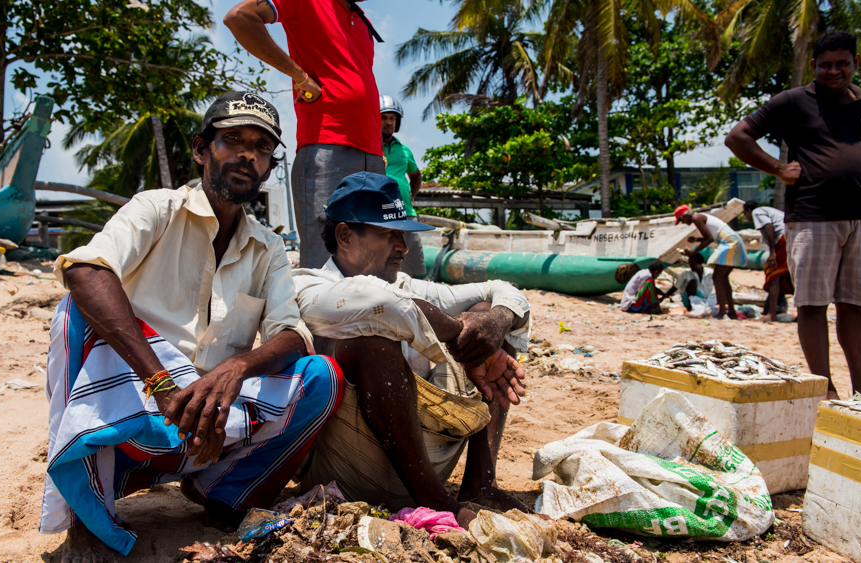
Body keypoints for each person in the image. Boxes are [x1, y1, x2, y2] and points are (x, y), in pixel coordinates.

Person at [38, 92, 344, 560]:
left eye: (261, 148)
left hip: (213, 429)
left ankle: (224, 495)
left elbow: (291, 332)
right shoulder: (157, 209)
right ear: (202, 150)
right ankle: (88, 518)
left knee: (321, 376)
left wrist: (237, 367)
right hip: (138, 415)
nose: (247, 154)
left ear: (267, 168)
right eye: (233, 140)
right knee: (75, 310)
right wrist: (161, 382)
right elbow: (85, 269)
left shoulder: (268, 247)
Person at [291, 172, 532, 527]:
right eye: (391, 235)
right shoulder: (307, 285)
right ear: (345, 235)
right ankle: (436, 500)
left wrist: (494, 323)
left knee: (487, 320)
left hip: (421, 460)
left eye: (403, 236)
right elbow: (376, 303)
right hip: (341, 473)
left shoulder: (403, 283)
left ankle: (480, 482)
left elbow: (505, 290)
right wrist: (454, 330)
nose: (403, 247)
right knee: (370, 341)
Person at [724, 31, 861, 398]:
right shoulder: (793, 101)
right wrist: (778, 168)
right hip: (813, 216)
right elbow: (738, 137)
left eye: (842, 63)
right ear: (813, 65)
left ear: (855, 63)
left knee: (854, 307)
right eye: (825, 64)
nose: (834, 71)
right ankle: (825, 390)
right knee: (812, 306)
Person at [225, 0, 385, 269]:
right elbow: (239, 18)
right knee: (326, 263)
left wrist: (378, 150)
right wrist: (298, 75)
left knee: (374, 261)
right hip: (327, 146)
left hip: (372, 153)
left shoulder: (361, 18)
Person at [675, 205, 748, 320]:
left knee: (717, 277)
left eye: (681, 220)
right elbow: (711, 237)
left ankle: (722, 312)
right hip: (734, 240)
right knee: (723, 278)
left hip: (729, 242)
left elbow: (709, 239)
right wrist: (696, 240)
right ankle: (731, 312)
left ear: (684, 216)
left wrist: (694, 252)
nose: (682, 223)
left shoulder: (696, 218)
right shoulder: (700, 217)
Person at [381, 95, 425, 277]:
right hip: (382, 213)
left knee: (412, 262)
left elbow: (416, 175)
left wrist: (412, 195)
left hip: (407, 213)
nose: (388, 122)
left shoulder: (404, 149)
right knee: (384, 261)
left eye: (392, 118)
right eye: (384, 117)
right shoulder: (370, 145)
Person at [742, 200, 792, 322]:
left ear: (749, 210)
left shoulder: (757, 212)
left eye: (745, 214)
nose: (746, 217)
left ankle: (772, 314)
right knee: (790, 274)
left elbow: (769, 226)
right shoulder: (770, 210)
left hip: (782, 239)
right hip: (791, 236)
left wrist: (772, 252)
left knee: (773, 274)